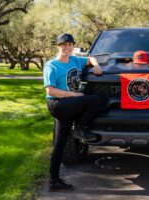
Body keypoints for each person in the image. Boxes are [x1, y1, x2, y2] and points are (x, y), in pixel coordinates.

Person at [43, 33, 102, 191]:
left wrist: (96, 65)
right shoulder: (52, 65)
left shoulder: (75, 60)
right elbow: (51, 90)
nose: (67, 48)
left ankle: (54, 181)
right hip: (58, 104)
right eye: (64, 45)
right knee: (94, 99)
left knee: (60, 144)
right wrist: (73, 94)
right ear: (58, 46)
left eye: (70, 45)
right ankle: (80, 128)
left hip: (69, 105)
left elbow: (90, 58)